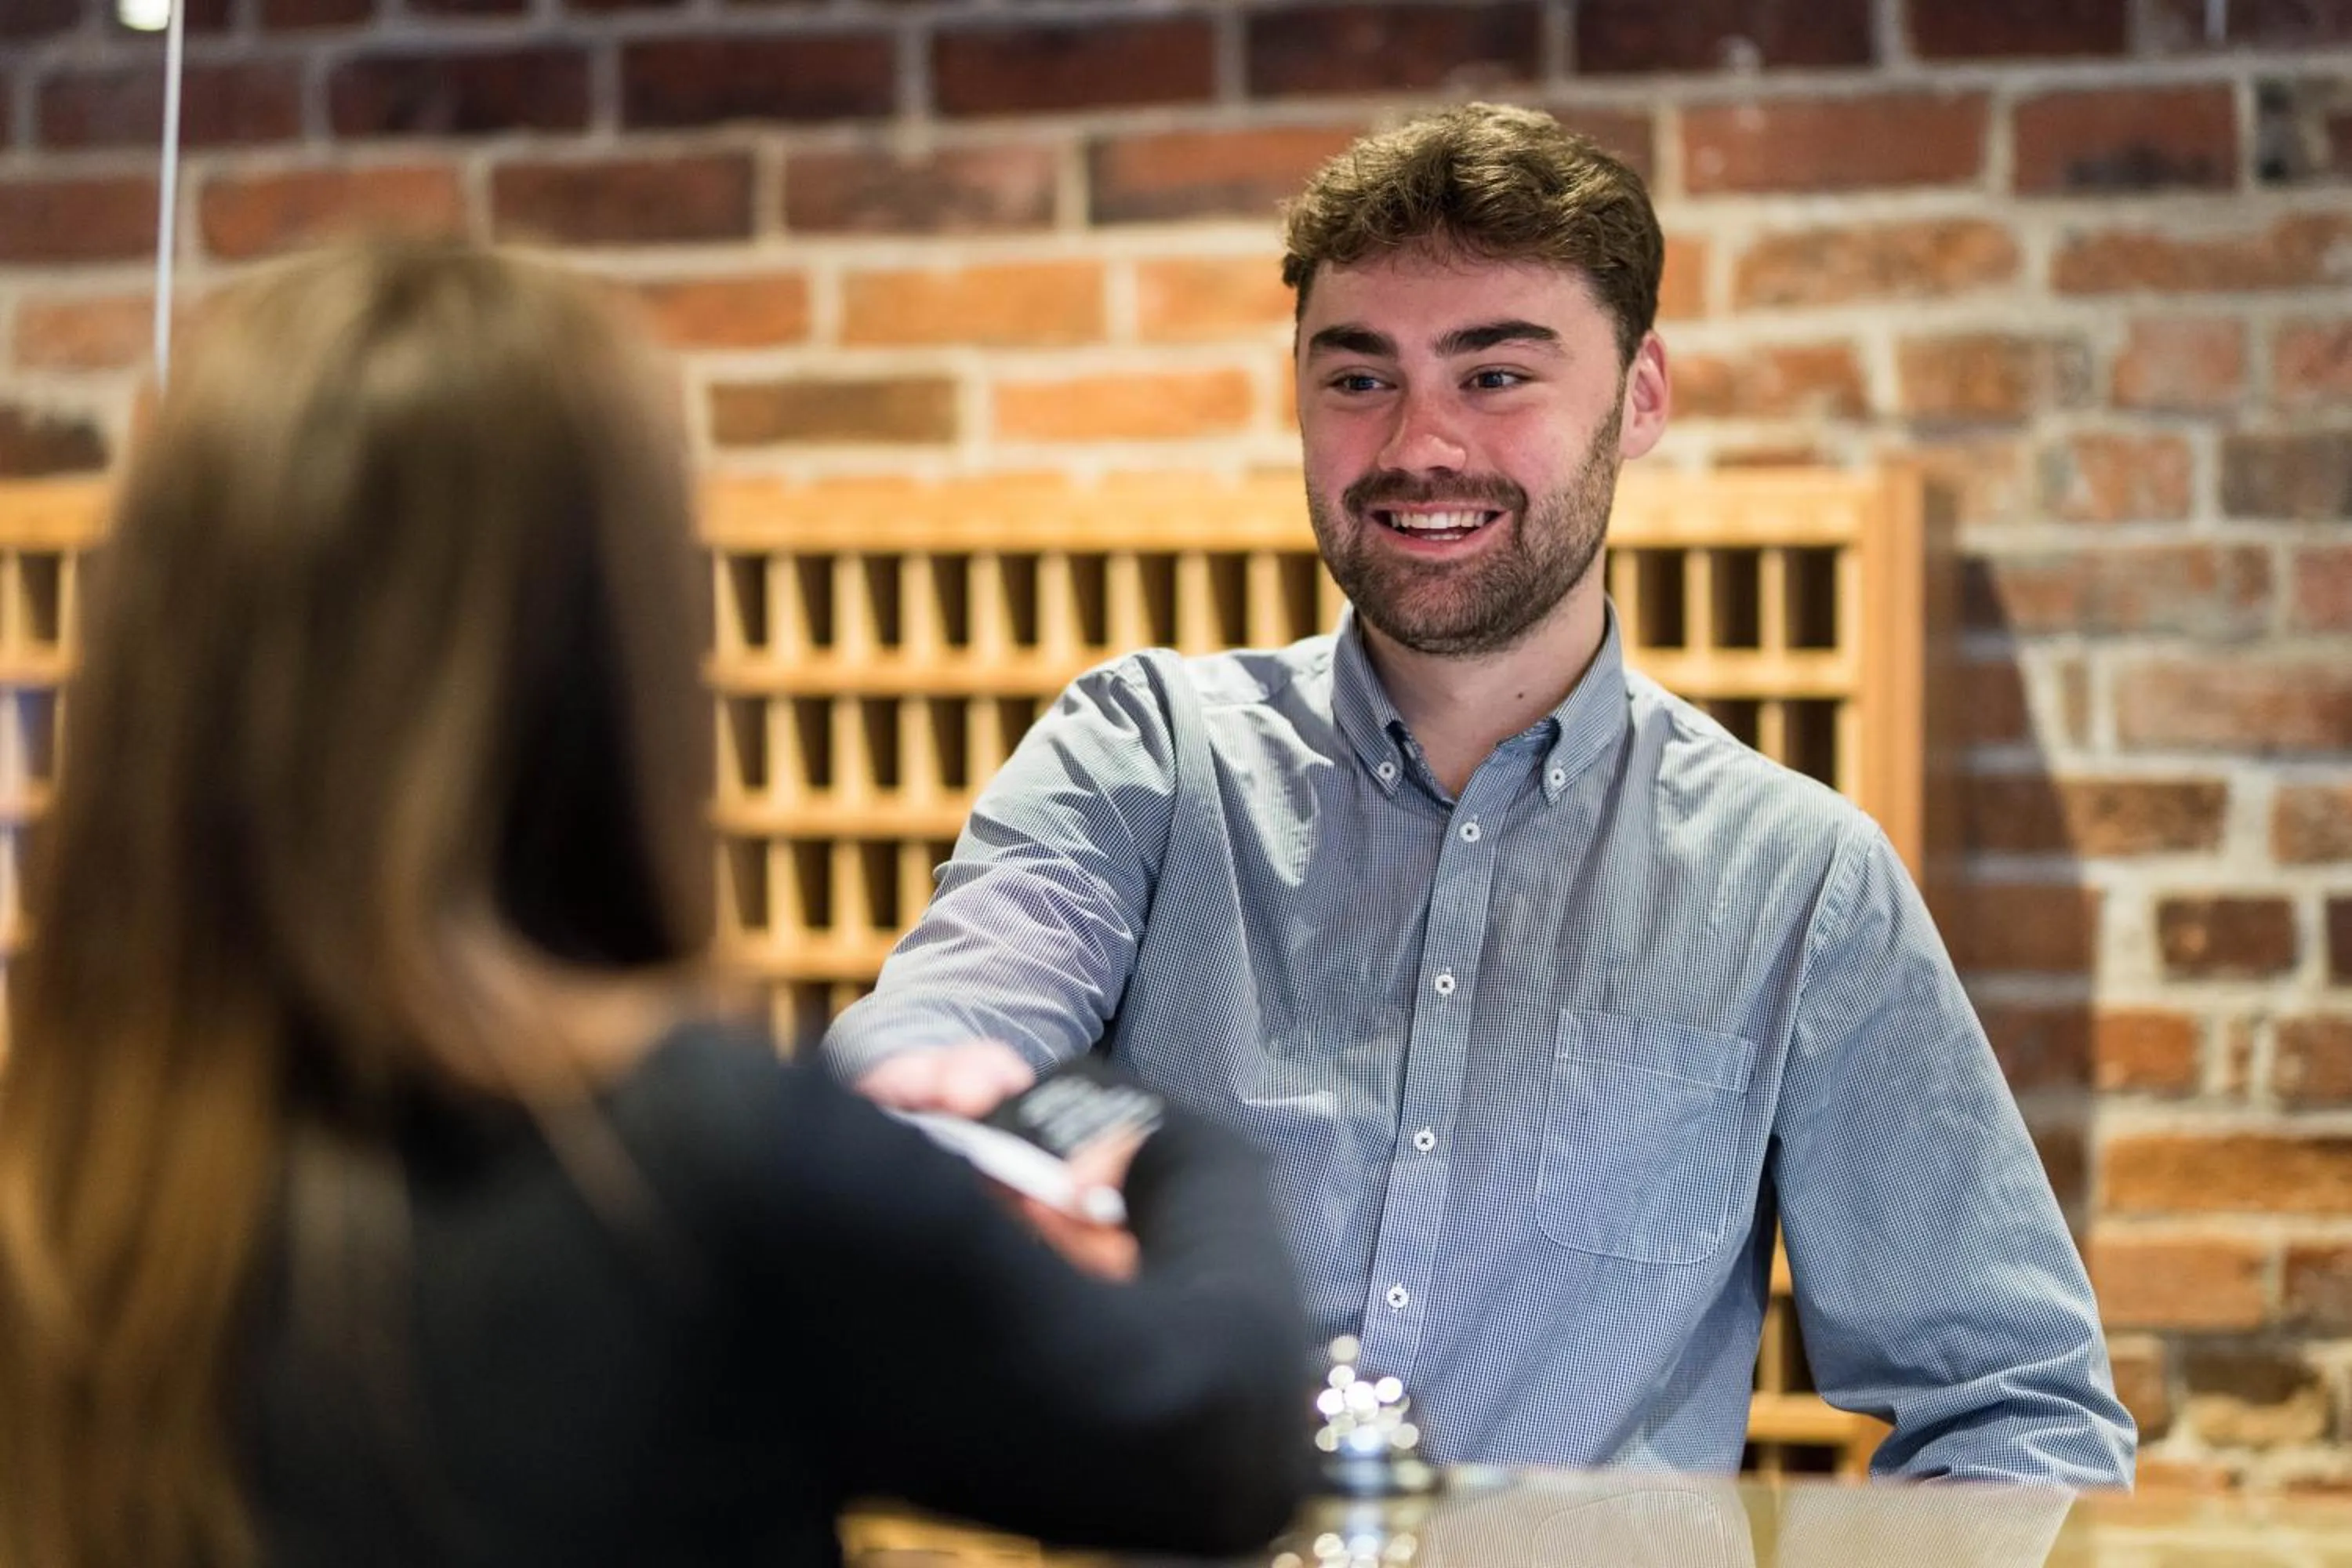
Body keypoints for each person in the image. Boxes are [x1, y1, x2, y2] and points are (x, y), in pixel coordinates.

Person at [828, 103, 2136, 1487]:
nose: (1419, 445)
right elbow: (962, 1005)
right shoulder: (1146, 755)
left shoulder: (1801, 879)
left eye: (1496, 376)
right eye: (1357, 379)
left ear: (1638, 399)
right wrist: (931, 1091)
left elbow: (2016, 1408)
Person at [0, 241, 1310, 1568]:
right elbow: (1225, 1450)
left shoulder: (60, 1198)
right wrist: (1154, 1142)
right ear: (602, 648)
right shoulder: (696, 1163)